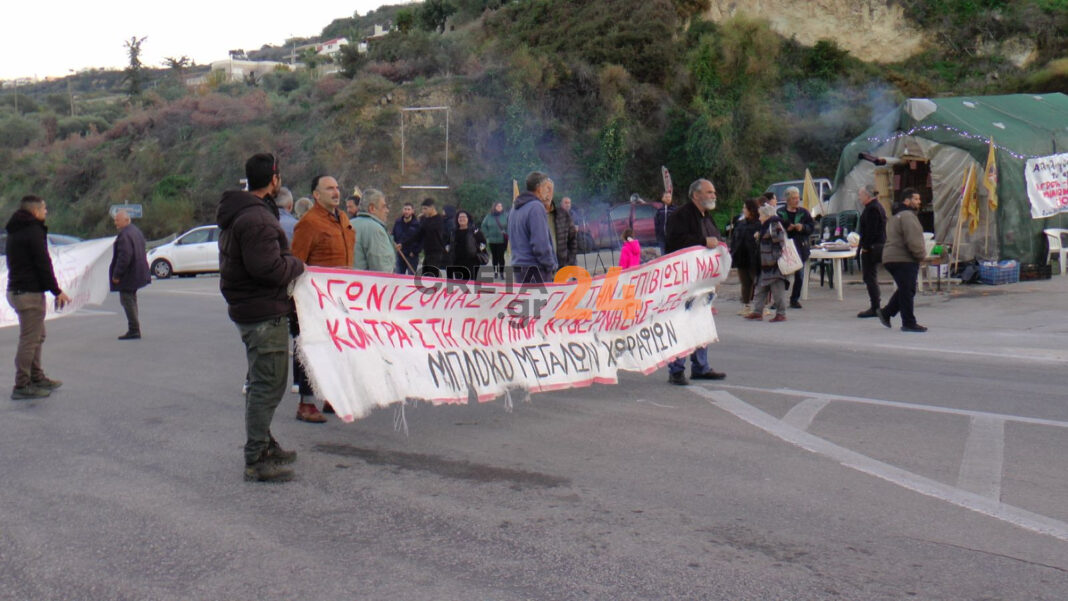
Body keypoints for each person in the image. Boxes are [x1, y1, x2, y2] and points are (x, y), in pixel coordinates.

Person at [217, 153, 304, 482]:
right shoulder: (257, 219)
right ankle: (256, 457)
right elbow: (269, 269)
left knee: (261, 381)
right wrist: (297, 263)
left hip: (252, 308)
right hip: (263, 311)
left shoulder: (243, 213)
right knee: (268, 385)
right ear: (275, 180)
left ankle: (265, 443)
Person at [290, 174, 355, 423]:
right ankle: (306, 403)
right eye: (329, 189)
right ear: (316, 195)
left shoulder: (343, 219)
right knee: (311, 349)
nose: (336, 192)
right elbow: (296, 262)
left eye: (337, 187)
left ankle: (331, 397)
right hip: (313, 300)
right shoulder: (309, 223)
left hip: (341, 299)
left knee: (336, 348)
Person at [5, 195, 71, 400]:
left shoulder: (15, 230)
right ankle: (22, 384)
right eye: (44, 209)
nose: (46, 212)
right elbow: (43, 264)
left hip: (17, 290)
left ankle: (36, 376)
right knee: (29, 339)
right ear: (34, 212)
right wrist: (56, 290)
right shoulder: (33, 231)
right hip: (29, 294)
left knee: (38, 336)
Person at [664, 179, 726, 384]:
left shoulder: (707, 217)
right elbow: (674, 243)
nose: (713, 195)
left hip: (703, 283)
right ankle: (676, 369)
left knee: (701, 322)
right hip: (683, 282)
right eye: (709, 192)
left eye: (713, 192)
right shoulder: (680, 216)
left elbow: (714, 241)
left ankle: (701, 366)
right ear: (696, 195)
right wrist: (702, 242)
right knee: (681, 324)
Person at [878, 188, 928, 332]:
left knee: (906, 289)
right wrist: (920, 255)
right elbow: (912, 239)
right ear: (907, 200)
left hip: (890, 257)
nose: (919, 202)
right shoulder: (907, 216)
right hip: (903, 258)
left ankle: (886, 313)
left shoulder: (895, 216)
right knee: (907, 290)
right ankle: (908, 322)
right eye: (916, 199)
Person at [508, 171, 558, 284]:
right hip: (536, 270)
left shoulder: (514, 209)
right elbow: (540, 244)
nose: (548, 191)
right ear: (539, 188)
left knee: (526, 301)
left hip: (519, 268)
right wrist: (550, 265)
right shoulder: (536, 207)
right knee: (541, 302)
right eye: (546, 187)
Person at [109, 209, 151, 340]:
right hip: (138, 272)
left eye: (117, 220)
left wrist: (116, 275)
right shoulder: (136, 231)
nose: (115, 222)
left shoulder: (124, 235)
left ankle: (134, 329)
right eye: (115, 219)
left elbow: (124, 256)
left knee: (127, 300)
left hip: (129, 274)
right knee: (131, 299)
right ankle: (134, 328)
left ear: (126, 220)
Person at [746, 204, 789, 323]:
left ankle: (781, 313)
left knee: (777, 291)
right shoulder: (766, 226)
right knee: (760, 288)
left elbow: (780, 244)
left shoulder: (774, 225)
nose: (759, 218)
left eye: (761, 215)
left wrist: (774, 258)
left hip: (773, 265)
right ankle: (757, 312)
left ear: (767, 215)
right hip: (764, 265)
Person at [777, 186, 814, 309]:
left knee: (800, 274)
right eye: (793, 198)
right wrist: (786, 227)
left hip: (800, 246)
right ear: (788, 199)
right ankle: (779, 299)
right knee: (781, 274)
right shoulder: (780, 212)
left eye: (798, 198)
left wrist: (802, 227)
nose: (796, 200)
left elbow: (811, 227)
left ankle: (794, 299)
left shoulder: (804, 212)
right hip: (784, 247)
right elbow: (775, 227)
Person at [856, 184, 887, 318]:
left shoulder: (873, 209)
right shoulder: (873, 207)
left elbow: (872, 231)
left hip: (873, 247)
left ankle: (875, 306)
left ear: (867, 196)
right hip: (873, 246)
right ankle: (875, 305)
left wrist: (866, 246)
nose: (859, 197)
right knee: (870, 276)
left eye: (861, 195)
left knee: (870, 276)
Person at [729, 198, 761, 316]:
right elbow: (734, 240)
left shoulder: (759, 224)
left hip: (754, 258)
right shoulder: (740, 223)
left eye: (745, 208)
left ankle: (760, 306)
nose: (743, 210)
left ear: (751, 210)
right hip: (741, 257)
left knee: (757, 282)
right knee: (745, 283)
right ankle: (746, 305)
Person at [352, 188, 395, 273]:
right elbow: (382, 269)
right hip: (367, 284)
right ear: (372, 208)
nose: (387, 211)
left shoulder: (348, 224)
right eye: (384, 206)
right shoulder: (376, 230)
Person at [445, 210, 488, 281]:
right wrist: (448, 251)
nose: (462, 219)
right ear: (457, 219)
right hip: (457, 262)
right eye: (460, 217)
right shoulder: (453, 232)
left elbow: (483, 242)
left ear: (468, 218)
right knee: (460, 284)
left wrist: (477, 251)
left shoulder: (475, 231)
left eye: (464, 217)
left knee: (471, 284)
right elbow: (447, 244)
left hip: (472, 262)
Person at [412, 198, 447, 277]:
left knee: (431, 276)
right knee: (424, 275)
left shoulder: (439, 219)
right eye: (422, 209)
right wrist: (404, 244)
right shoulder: (425, 220)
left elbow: (430, 229)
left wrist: (424, 220)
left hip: (436, 252)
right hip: (427, 252)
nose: (423, 211)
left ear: (432, 208)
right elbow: (419, 234)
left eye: (425, 209)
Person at [480, 202, 508, 278]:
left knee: (501, 257)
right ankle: (495, 272)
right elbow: (483, 226)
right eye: (498, 206)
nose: (499, 207)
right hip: (492, 240)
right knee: (494, 257)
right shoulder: (489, 216)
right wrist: (487, 235)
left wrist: (507, 233)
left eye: (501, 206)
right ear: (494, 207)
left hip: (502, 240)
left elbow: (509, 225)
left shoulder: (505, 216)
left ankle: (501, 273)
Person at [392, 202, 421, 275]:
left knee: (411, 278)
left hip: (412, 256)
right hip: (400, 254)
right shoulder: (398, 222)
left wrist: (414, 251)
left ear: (412, 211)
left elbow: (420, 241)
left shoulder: (417, 225)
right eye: (405, 209)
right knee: (398, 277)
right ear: (402, 210)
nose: (406, 211)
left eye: (408, 209)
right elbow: (394, 235)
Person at [551, 195, 578, 268]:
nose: (568, 205)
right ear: (561, 204)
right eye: (565, 203)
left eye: (569, 203)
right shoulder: (556, 214)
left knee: (573, 268)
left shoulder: (573, 214)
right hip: (560, 249)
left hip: (571, 248)